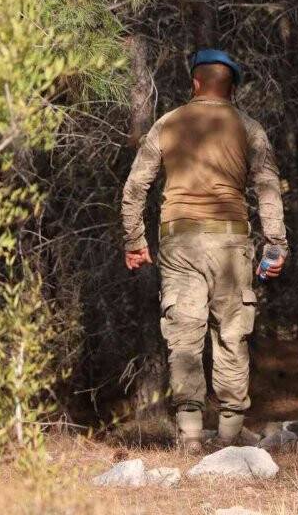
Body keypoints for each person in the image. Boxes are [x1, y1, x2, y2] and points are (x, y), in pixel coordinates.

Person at [121, 48, 288, 453]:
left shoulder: (166, 123)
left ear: (195, 82)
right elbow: (268, 189)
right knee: (231, 334)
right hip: (231, 243)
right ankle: (230, 436)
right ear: (232, 88)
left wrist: (135, 241)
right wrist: (276, 245)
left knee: (184, 336)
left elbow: (135, 187)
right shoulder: (249, 128)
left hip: (179, 241)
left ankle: (191, 435)